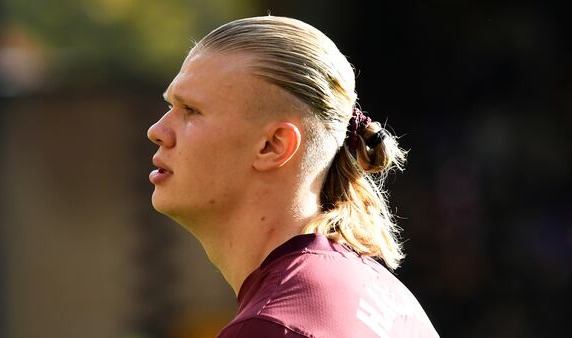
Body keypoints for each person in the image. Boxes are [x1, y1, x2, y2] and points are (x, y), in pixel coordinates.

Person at [147, 15, 439, 338]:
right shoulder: (390, 297)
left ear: (273, 145)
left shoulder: (271, 327)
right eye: (170, 106)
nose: (157, 131)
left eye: (191, 111)